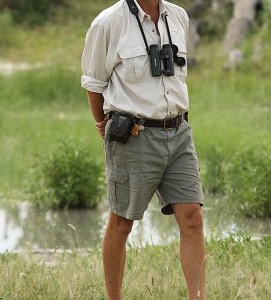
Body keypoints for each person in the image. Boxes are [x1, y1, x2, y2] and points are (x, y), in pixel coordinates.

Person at [81, 0, 206, 299]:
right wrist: (103, 123)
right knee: (122, 221)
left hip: (178, 132)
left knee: (192, 216)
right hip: (134, 134)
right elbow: (94, 82)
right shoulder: (108, 22)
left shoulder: (178, 16)